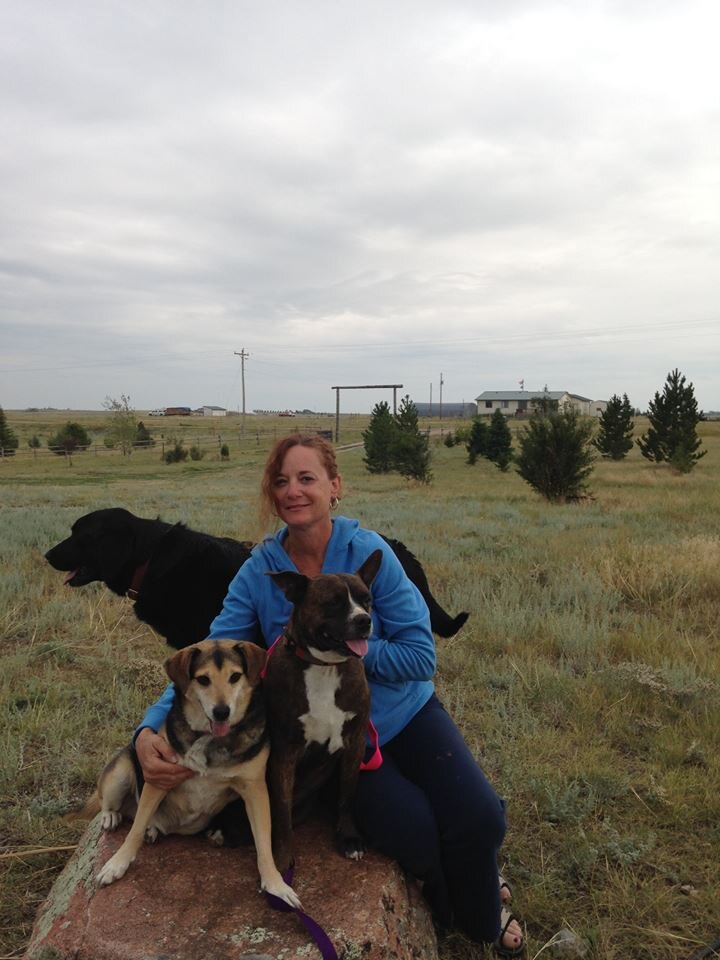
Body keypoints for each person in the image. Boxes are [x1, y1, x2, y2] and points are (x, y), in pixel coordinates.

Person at [135, 433, 524, 958]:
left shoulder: (368, 553)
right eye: (281, 481)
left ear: (334, 487)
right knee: (410, 829)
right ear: (273, 495)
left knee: (480, 817)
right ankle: (454, 896)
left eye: (307, 478)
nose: (293, 490)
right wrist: (151, 726)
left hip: (403, 716)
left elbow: (420, 656)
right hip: (334, 747)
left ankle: (482, 906)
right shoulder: (260, 571)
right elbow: (210, 654)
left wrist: (340, 648)